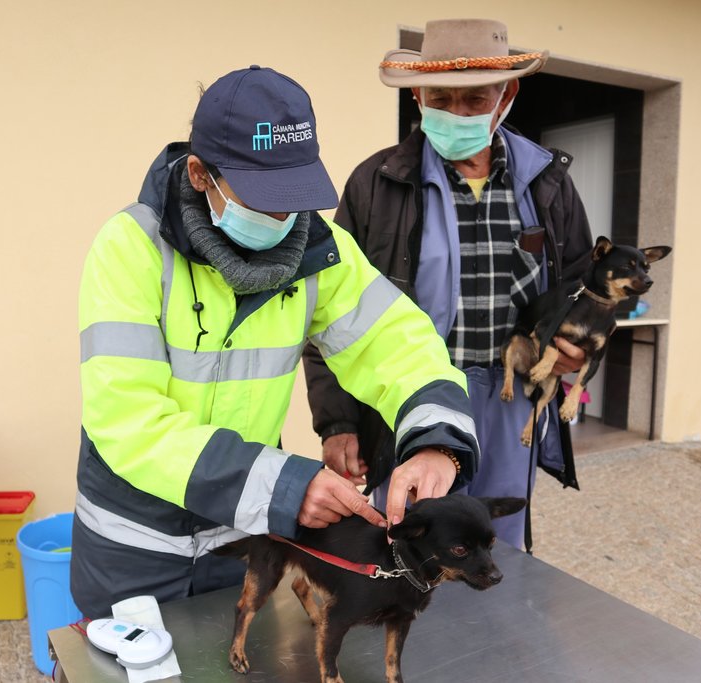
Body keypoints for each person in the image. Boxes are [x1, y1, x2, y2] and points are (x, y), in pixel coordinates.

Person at [71, 65, 481, 618]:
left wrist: (436, 443)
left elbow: (398, 343)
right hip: (135, 545)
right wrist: (288, 488)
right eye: (263, 199)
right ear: (199, 174)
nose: (283, 217)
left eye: (295, 196)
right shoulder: (131, 248)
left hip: (242, 534)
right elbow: (128, 419)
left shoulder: (320, 250)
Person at [303, 19, 594, 550]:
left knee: (494, 540)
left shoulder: (547, 182)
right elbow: (326, 306)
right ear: (417, 95)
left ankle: (491, 635)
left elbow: (579, 282)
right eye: (441, 98)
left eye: (475, 99)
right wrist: (337, 422)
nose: (457, 113)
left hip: (511, 397)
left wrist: (573, 342)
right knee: (407, 538)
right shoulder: (377, 183)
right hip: (410, 394)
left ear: (508, 94)